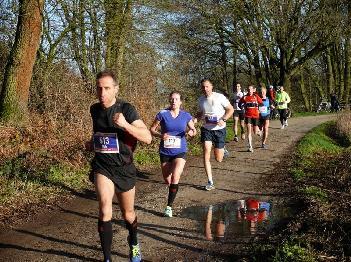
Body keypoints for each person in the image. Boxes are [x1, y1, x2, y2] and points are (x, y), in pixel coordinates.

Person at [85, 70, 152, 262]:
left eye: (107, 88)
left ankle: (134, 242)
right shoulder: (94, 109)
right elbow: (99, 133)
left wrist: (125, 125)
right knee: (105, 208)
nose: (102, 93)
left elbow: (147, 138)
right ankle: (107, 258)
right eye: (99, 88)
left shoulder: (127, 109)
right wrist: (92, 143)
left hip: (124, 168)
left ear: (116, 89)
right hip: (102, 166)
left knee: (128, 214)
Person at [150, 91, 196, 217]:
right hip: (165, 151)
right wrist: (160, 135)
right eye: (172, 99)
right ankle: (173, 190)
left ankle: (169, 207)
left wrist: (192, 132)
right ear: (169, 101)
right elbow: (152, 130)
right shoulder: (162, 114)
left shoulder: (186, 115)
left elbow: (193, 129)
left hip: (180, 150)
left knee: (176, 177)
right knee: (167, 179)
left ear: (180, 102)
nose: (174, 101)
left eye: (176, 99)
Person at [194, 79, 234, 191]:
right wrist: (195, 119)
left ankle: (222, 148)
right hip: (207, 129)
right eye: (203, 87)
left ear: (212, 86)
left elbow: (230, 109)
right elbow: (201, 113)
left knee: (219, 159)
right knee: (206, 152)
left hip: (219, 129)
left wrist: (224, 119)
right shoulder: (200, 100)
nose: (205, 89)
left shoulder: (220, 97)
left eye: (207, 86)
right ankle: (210, 181)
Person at [239, 85, 263, 152]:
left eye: (251, 89)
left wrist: (259, 109)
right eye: (248, 89)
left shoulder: (256, 96)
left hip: (255, 116)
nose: (249, 91)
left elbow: (261, 103)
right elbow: (239, 104)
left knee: (255, 132)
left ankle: (259, 132)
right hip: (248, 116)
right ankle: (250, 146)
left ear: (253, 90)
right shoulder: (245, 97)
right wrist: (242, 107)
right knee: (249, 131)